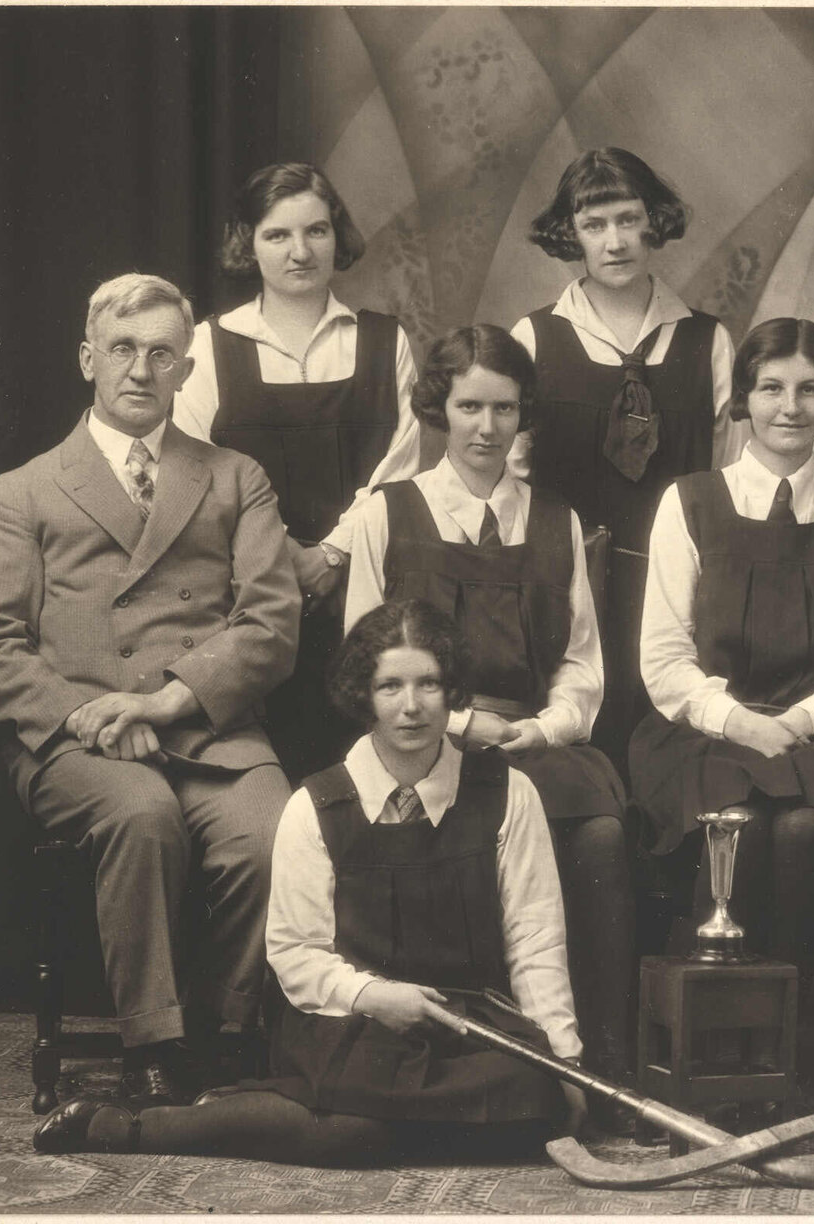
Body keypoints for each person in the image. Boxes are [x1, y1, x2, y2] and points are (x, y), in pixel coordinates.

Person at [32, 600, 588, 1163]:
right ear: (362, 696)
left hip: (465, 1026)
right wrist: (373, 995)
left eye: (430, 684)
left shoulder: (510, 793)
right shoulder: (316, 805)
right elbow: (295, 954)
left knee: (541, 1105)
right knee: (358, 1130)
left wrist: (562, 1060)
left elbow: (535, 939)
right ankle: (145, 1129)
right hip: (349, 1021)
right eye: (389, 686)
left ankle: (284, 1114)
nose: (412, 707)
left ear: (453, 692)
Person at [0, 273, 300, 1101]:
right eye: (122, 350)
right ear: (88, 360)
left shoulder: (235, 478)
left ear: (187, 369)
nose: (141, 370)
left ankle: (226, 1035)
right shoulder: (26, 490)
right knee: (143, 814)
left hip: (205, 722)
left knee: (274, 830)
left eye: (161, 353)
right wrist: (92, 715)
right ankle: (155, 1043)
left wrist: (167, 700)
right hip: (77, 738)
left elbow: (270, 625)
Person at [342, 326, 634, 1084]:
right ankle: (457, 1062)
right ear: (439, 408)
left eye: (503, 409)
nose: (486, 428)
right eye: (468, 406)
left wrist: (540, 727)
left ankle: (595, 1066)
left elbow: (581, 666)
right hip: (422, 740)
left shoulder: (554, 519)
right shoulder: (387, 512)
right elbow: (364, 663)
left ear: (522, 414)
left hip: (533, 744)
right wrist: (463, 724)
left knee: (599, 835)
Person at [632, 318, 814, 1031]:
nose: (790, 407)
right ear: (744, 399)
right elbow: (662, 661)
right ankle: (709, 1041)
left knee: (806, 830)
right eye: (772, 388)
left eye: (810, 390)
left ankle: (794, 1048)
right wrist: (744, 724)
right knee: (743, 826)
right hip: (708, 735)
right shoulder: (688, 502)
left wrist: (801, 722)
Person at [173, 162, 423, 780]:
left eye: (315, 231)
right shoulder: (209, 345)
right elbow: (192, 470)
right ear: (248, 244)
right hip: (246, 597)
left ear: (338, 238)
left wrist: (332, 556)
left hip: (362, 589)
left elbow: (402, 467)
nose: (300, 251)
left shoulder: (384, 341)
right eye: (277, 235)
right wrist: (286, 558)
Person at [512, 147, 739, 758]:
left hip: (675, 584)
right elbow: (513, 480)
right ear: (571, 234)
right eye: (594, 225)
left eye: (628, 219)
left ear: (653, 223)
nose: (614, 242)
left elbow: (727, 473)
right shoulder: (534, 339)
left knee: (670, 742)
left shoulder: (707, 340)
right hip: (566, 582)